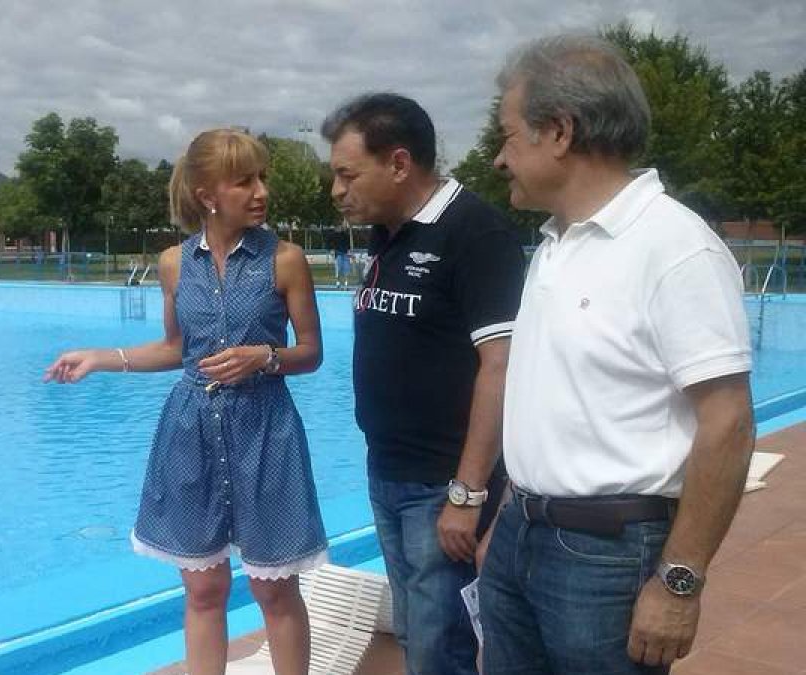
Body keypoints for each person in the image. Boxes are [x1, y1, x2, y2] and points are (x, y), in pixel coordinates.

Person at [478, 35, 755, 674]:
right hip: (526, 532)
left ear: (560, 132)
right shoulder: (556, 244)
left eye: (510, 136)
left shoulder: (674, 248)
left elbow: (729, 423)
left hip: (607, 555)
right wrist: (512, 511)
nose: (498, 158)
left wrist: (680, 581)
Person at [45, 128, 327, 674]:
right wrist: (101, 358)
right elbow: (178, 348)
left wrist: (265, 357)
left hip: (266, 431)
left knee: (275, 593)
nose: (261, 190)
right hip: (190, 432)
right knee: (204, 591)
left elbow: (311, 353)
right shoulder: (174, 263)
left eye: (261, 177)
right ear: (206, 194)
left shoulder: (286, 260)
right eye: (244, 181)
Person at [322, 93, 525, 674]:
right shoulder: (387, 231)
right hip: (387, 469)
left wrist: (468, 494)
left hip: (442, 483)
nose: (337, 190)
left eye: (346, 174)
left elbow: (500, 366)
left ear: (399, 163)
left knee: (442, 645)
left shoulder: (476, 233)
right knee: (416, 632)